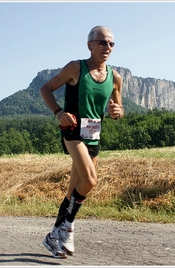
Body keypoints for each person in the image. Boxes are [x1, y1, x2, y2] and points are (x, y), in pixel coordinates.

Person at [39, 25, 123, 259]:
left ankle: (53, 236)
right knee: (90, 180)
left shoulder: (115, 77)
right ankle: (68, 228)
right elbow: (45, 89)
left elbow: (118, 108)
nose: (107, 47)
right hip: (73, 131)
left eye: (111, 43)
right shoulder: (76, 67)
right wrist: (58, 112)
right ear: (90, 45)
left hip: (94, 135)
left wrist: (117, 111)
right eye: (103, 42)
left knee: (73, 190)